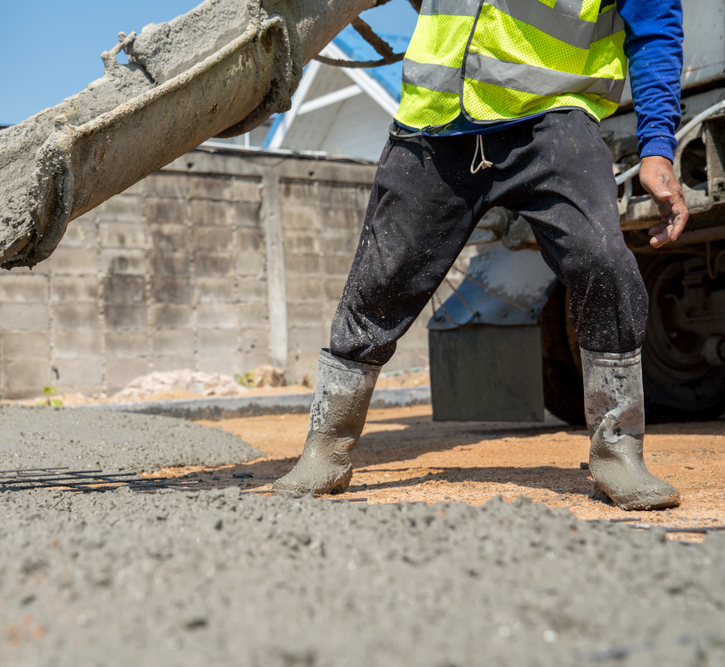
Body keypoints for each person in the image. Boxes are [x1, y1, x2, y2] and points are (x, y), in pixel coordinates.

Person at [272, 0, 687, 511]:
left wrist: (657, 148)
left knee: (603, 262)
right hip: (434, 122)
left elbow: (656, 27)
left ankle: (618, 453)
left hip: (550, 117)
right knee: (379, 283)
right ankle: (326, 448)